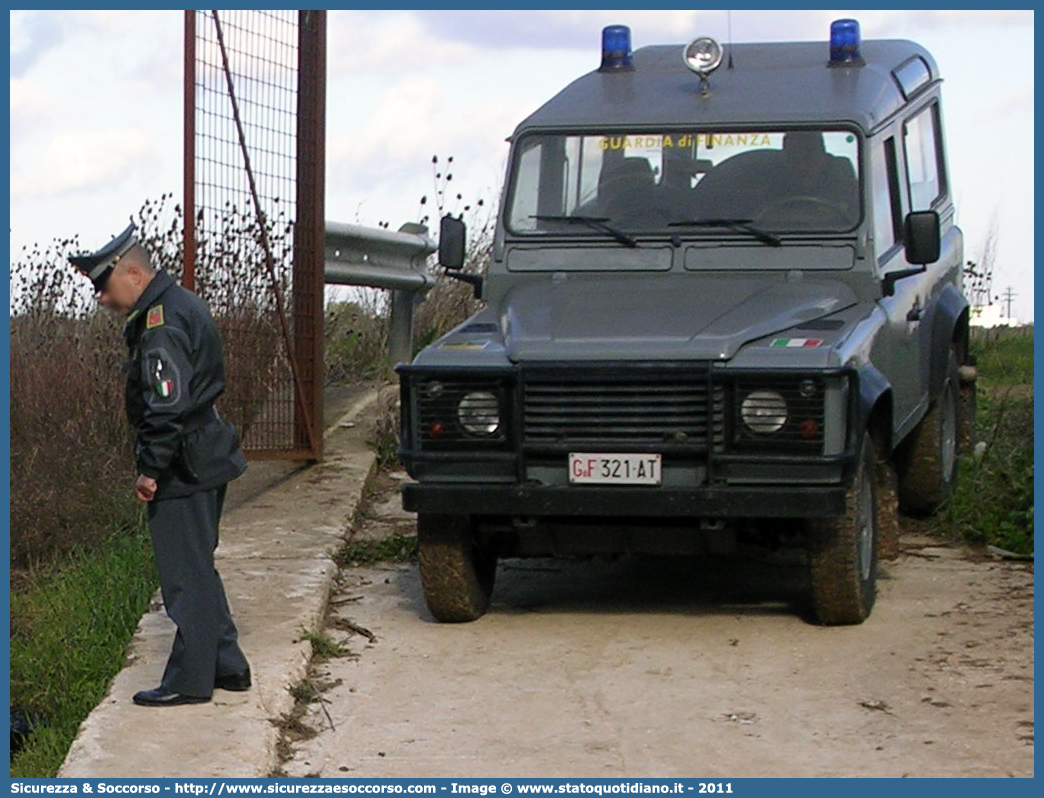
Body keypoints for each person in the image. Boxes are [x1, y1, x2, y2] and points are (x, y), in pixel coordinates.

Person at [70, 222, 250, 707]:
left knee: (183, 578)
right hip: (207, 449)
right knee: (199, 566)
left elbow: (166, 404)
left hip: (182, 463)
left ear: (132, 273)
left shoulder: (160, 324)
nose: (103, 301)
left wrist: (150, 468)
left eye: (104, 288)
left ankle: (189, 682)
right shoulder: (183, 302)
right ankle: (228, 666)